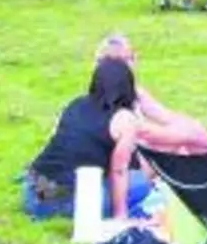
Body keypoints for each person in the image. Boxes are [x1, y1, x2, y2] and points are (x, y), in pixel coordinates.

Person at [22, 58, 152, 221]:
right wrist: (121, 215)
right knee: (140, 182)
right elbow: (119, 171)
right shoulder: (124, 119)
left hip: (32, 197)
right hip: (77, 205)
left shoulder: (75, 104)